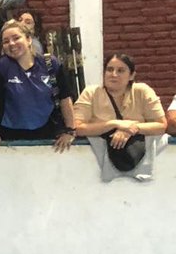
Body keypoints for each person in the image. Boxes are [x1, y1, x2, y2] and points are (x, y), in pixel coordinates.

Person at [0, 21, 77, 152]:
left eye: (16, 38)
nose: (11, 44)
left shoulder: (51, 64)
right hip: (9, 135)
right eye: (6, 41)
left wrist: (70, 130)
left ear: (28, 39)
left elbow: (65, 97)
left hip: (46, 132)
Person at [72, 53, 168, 181]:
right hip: (94, 171)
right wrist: (113, 124)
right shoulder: (91, 93)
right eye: (109, 69)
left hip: (137, 157)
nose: (114, 74)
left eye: (121, 70)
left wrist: (132, 128)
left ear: (132, 75)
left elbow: (161, 125)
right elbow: (77, 127)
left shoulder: (142, 91)